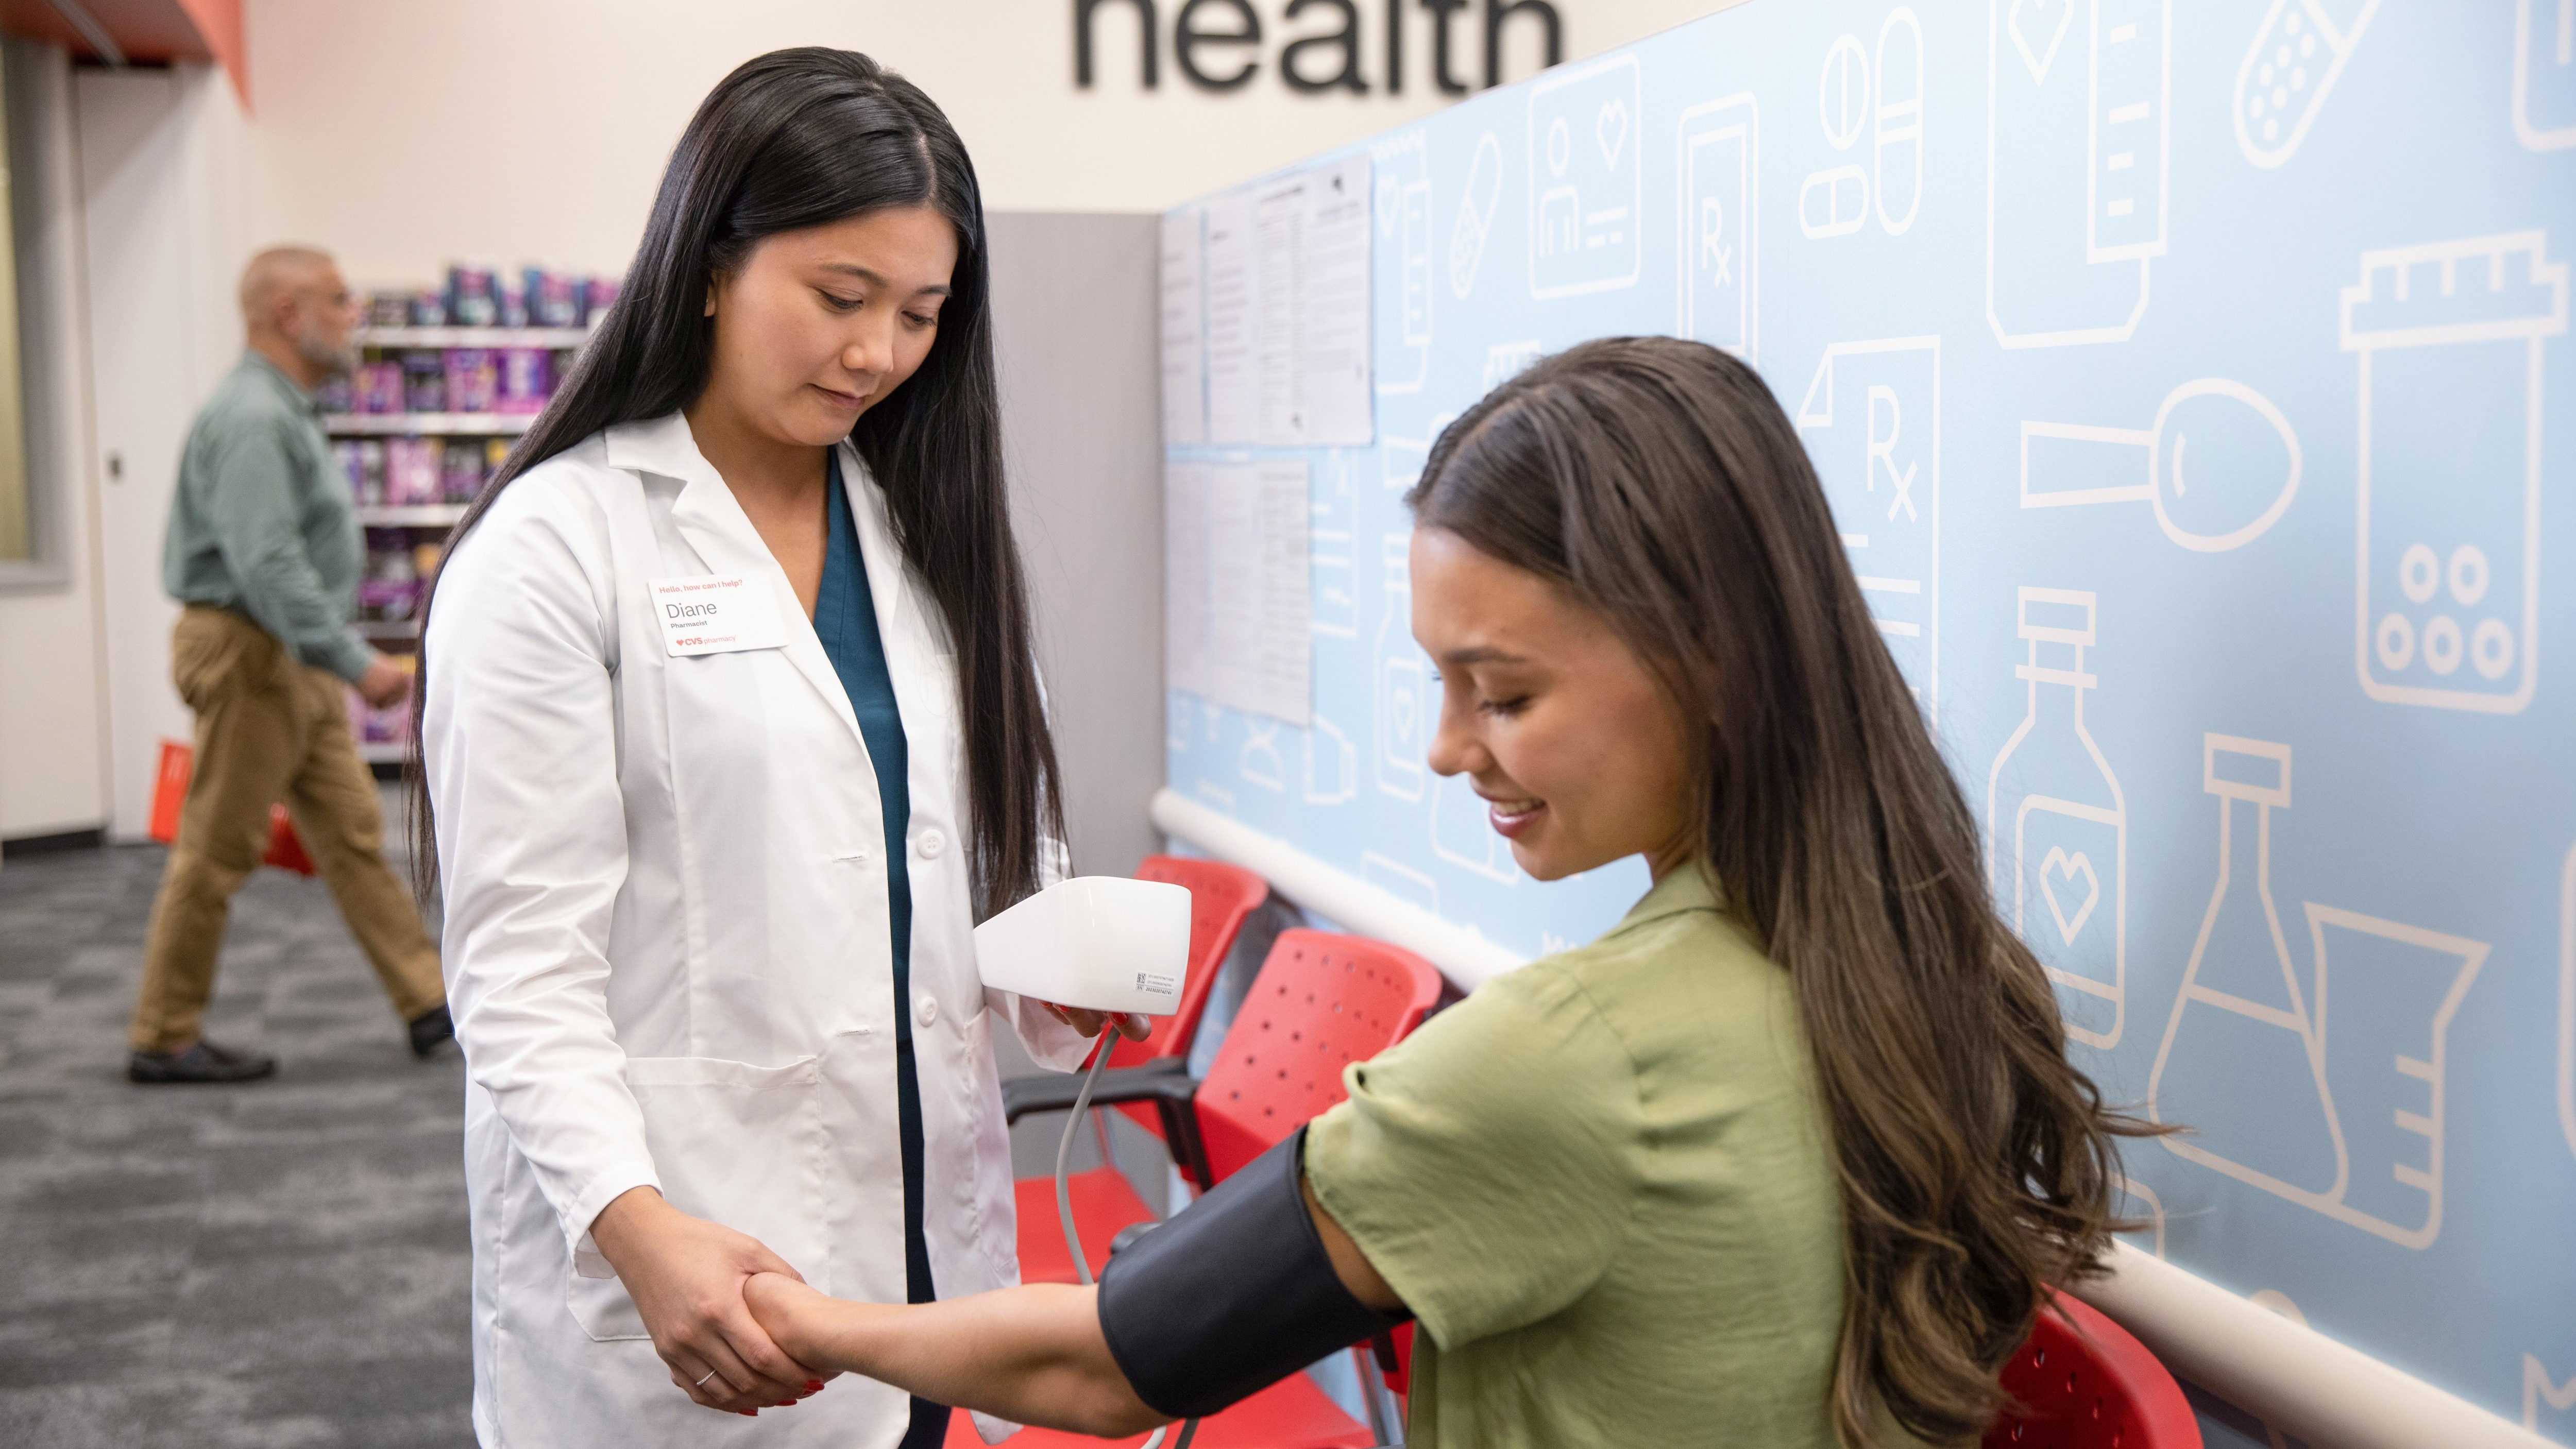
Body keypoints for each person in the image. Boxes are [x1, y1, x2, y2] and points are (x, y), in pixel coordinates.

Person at [738, 337, 2162, 1447]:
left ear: (1710, 656)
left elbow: (1104, 1363)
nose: (1445, 746)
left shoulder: (1572, 1057)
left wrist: (810, 1318)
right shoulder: (1913, 960)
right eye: (1443, 683)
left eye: (1505, 690)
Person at [415, 48, 1145, 1449]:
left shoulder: (931, 543)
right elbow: (517, 962)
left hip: (932, 1279)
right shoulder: (560, 547)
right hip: (694, 1254)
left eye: (923, 313)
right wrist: (636, 1224)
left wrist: (1063, 981)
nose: (878, 352)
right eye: (839, 297)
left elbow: (984, 856)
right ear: (706, 263)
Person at [130, 247, 449, 1085]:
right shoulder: (255, 419)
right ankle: (163, 1032)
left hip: (285, 658)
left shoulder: (286, 409)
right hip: (253, 655)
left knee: (349, 834)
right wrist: (356, 662)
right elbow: (265, 560)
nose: (354, 314)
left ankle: (428, 999)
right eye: (340, 299)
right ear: (288, 314)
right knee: (217, 847)